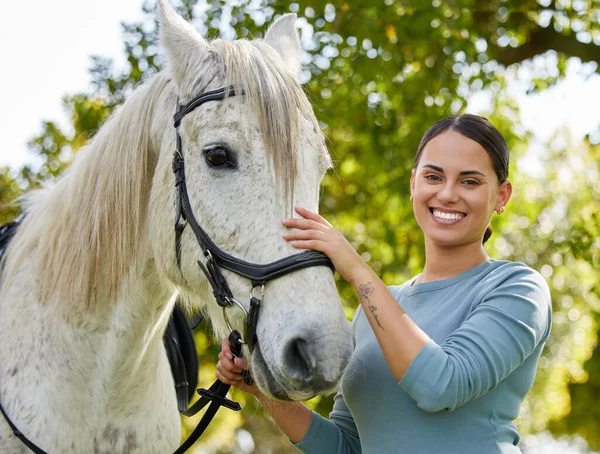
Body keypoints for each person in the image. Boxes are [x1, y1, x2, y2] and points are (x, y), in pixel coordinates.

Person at [216, 113, 552, 453]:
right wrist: (262, 388)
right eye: (433, 176)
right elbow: (346, 447)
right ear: (413, 186)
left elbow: (441, 386)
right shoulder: (374, 312)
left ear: (502, 196)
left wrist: (356, 269)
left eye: (470, 181)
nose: (448, 194)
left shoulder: (518, 289)